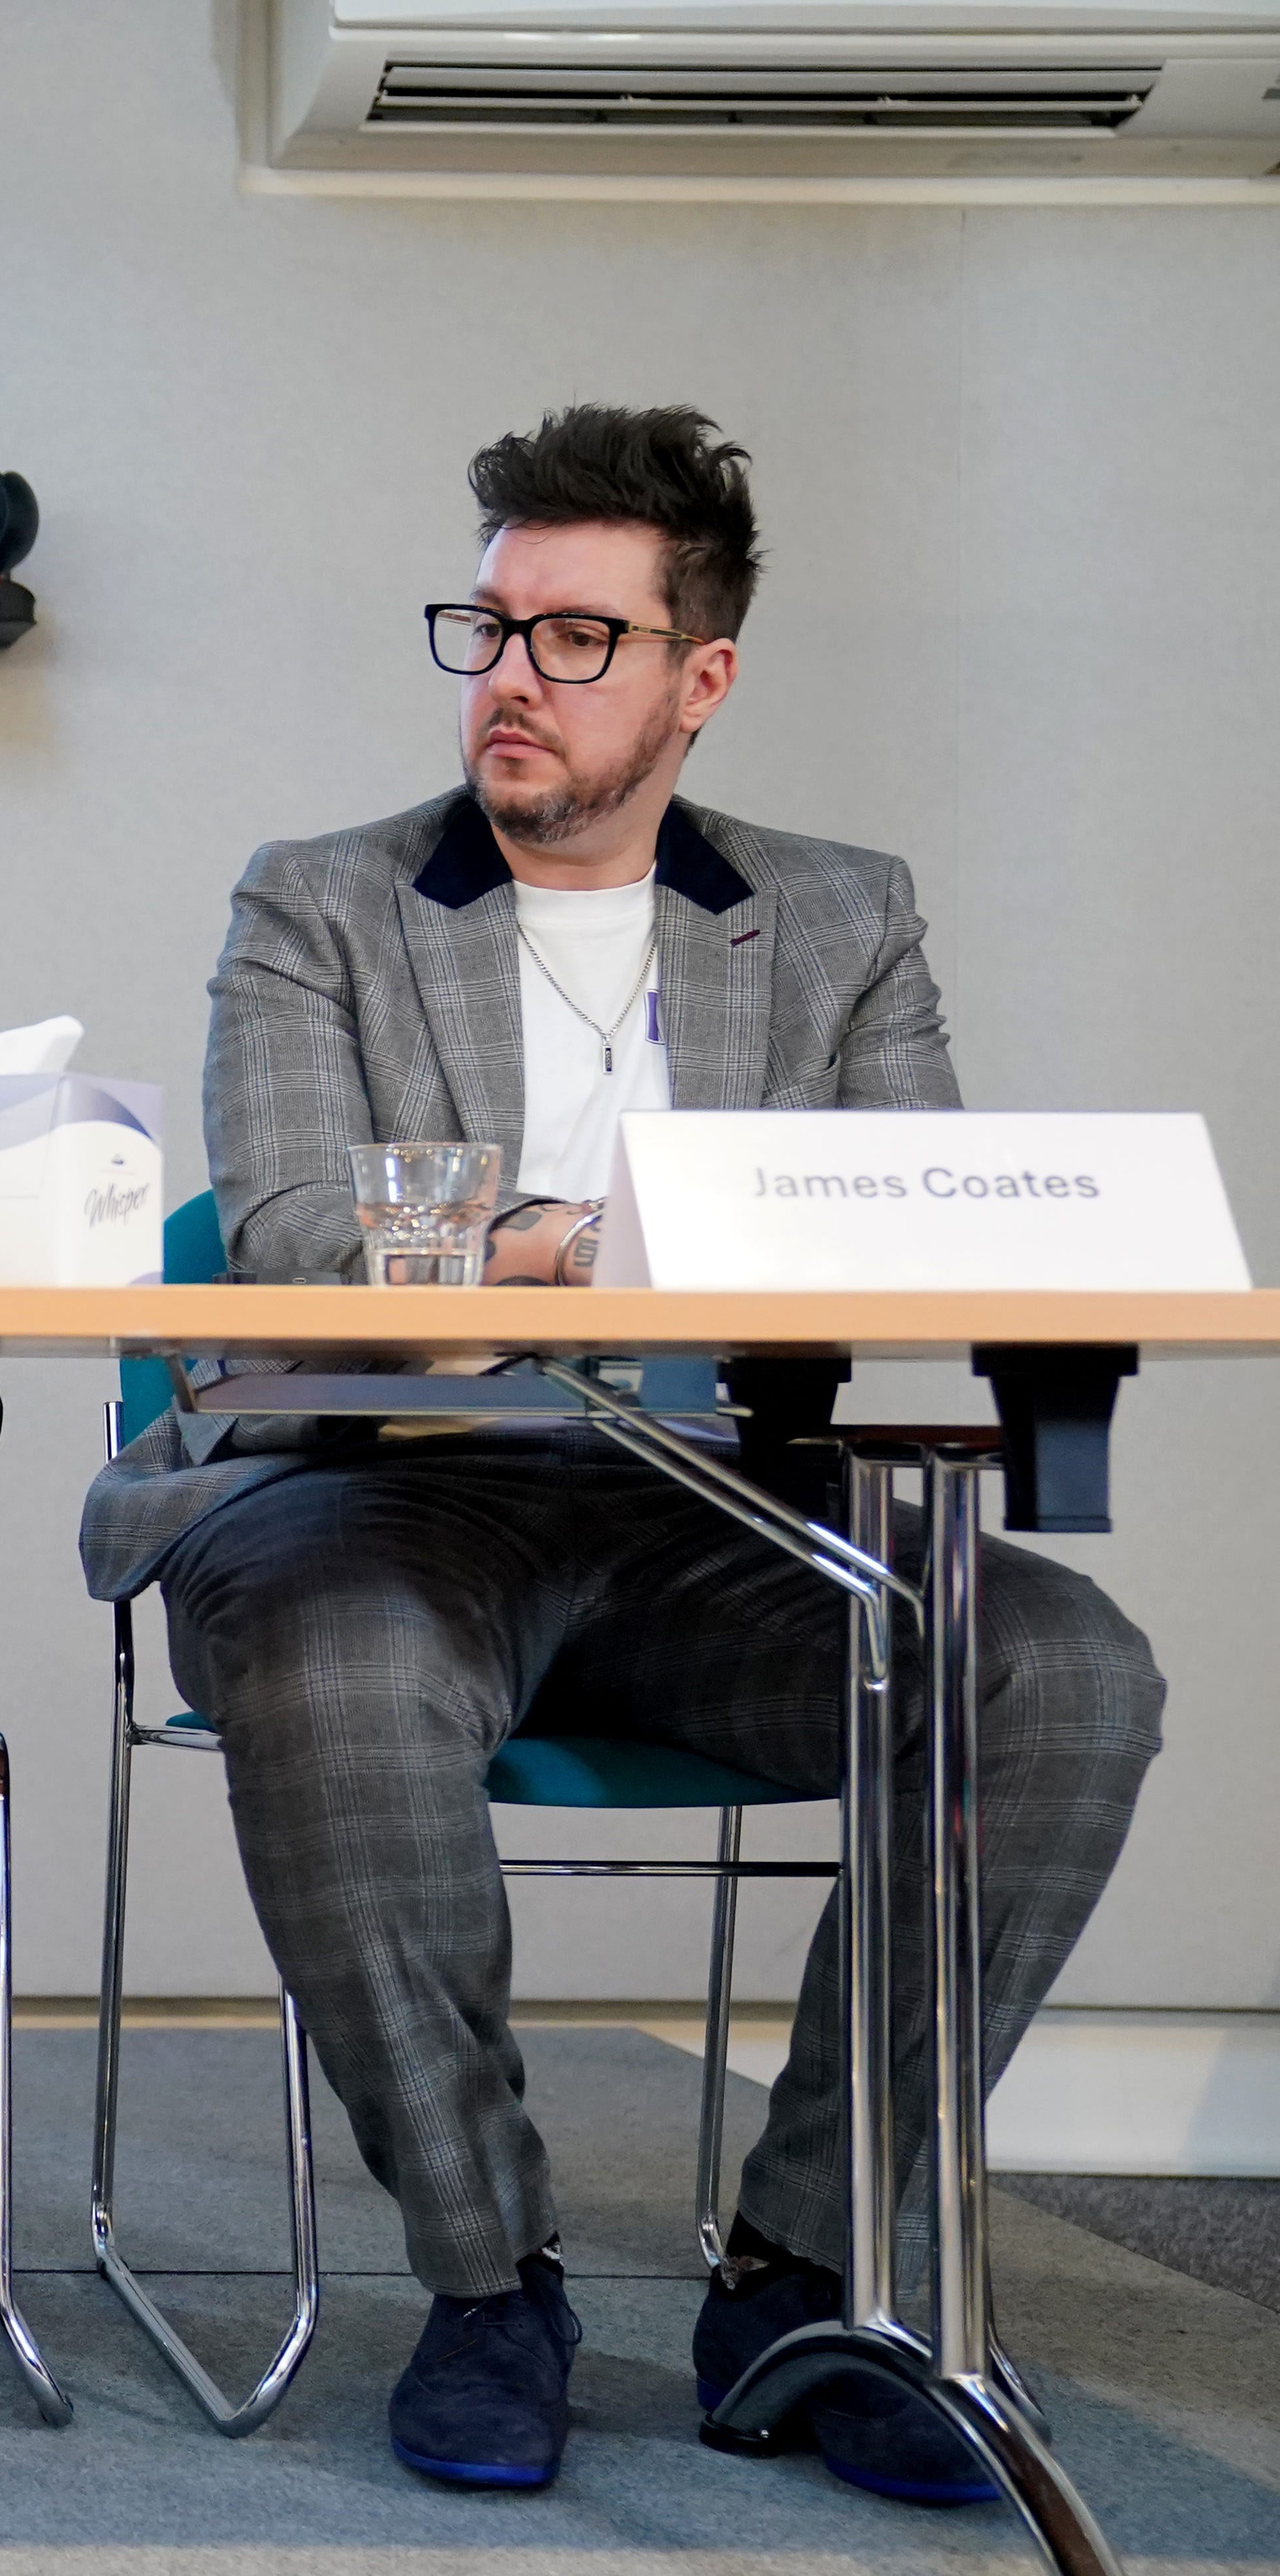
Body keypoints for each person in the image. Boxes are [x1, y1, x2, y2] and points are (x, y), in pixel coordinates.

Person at [79, 406, 1163, 2503]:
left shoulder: (838, 919)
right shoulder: (321, 903)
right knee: (334, 1667)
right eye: (487, 626)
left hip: (710, 1516)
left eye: (576, 636)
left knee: (1064, 1668)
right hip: (370, 1487)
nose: (509, 674)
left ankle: (807, 2273)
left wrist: (584, 1245)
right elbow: (300, 1233)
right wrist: (583, 1241)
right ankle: (490, 2285)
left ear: (698, 678)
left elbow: (897, 1209)